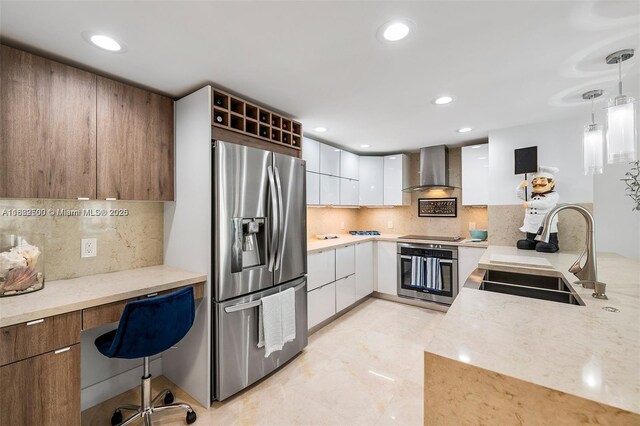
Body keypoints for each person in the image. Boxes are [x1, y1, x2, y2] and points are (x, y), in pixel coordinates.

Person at [515, 166, 560, 253]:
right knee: (530, 234)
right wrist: (520, 187)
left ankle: (552, 244)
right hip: (531, 221)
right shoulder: (532, 196)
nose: (538, 183)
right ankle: (531, 242)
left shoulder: (553, 195)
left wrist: (529, 204)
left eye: (542, 180)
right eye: (535, 181)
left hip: (545, 222)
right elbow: (521, 195)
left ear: (552, 183)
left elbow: (545, 204)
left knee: (547, 233)